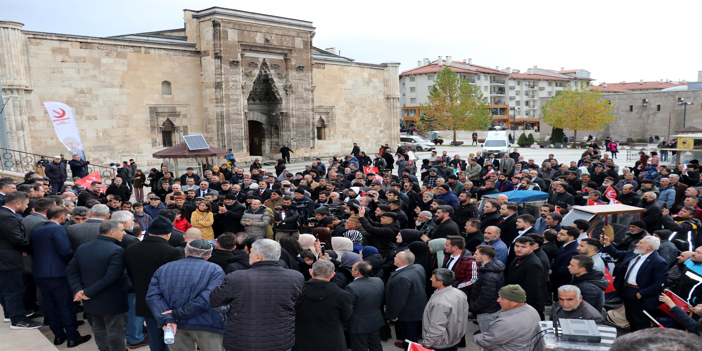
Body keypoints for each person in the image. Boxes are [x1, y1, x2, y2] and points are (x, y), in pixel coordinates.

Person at [210, 239, 304, 351]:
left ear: (258, 257)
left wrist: (232, 308)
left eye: (251, 252)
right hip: (279, 340)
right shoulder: (296, 278)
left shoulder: (236, 277)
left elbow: (215, 300)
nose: (249, 255)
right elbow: (297, 303)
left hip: (242, 340)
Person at [146, 239, 225, 351]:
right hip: (207, 324)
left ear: (186, 252)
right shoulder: (215, 270)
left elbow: (153, 297)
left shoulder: (164, 269)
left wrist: (169, 318)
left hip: (174, 325)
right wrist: (178, 314)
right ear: (208, 256)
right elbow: (209, 298)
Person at [30, 206, 92, 346]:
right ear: (63, 216)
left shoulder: (36, 230)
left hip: (40, 272)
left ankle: (58, 335)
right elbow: (65, 250)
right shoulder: (58, 229)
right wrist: (72, 266)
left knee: (50, 305)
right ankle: (72, 336)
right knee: (65, 305)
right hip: (57, 273)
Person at [66, 220, 131, 351]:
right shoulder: (117, 250)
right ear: (112, 232)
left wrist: (79, 290)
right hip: (111, 299)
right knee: (115, 331)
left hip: (90, 300)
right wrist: (86, 292)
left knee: (99, 329)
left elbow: (71, 270)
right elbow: (111, 277)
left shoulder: (83, 248)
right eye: (121, 230)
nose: (124, 233)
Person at [124, 216, 183, 351]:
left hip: (144, 298)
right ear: (169, 233)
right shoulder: (172, 252)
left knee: (153, 335)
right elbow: (176, 281)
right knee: (170, 337)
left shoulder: (131, 249)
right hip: (167, 302)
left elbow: (131, 275)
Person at [600, 235, 668, 331]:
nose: (637, 244)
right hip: (627, 290)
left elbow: (659, 283)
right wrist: (607, 244)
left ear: (650, 247)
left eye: (641, 243)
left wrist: (641, 294)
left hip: (640, 294)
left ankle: (641, 342)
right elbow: (617, 254)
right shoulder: (635, 252)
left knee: (639, 321)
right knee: (630, 317)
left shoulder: (659, 262)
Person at [0, 191, 42, 329]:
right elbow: (16, 238)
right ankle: (18, 319)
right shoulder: (7, 216)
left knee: (6, 289)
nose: (27, 206)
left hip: (5, 258)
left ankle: (9, 314)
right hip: (8, 260)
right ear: (18, 203)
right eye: (26, 204)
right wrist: (29, 249)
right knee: (14, 290)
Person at [293, 259, 352, 351]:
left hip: (303, 339)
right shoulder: (342, 295)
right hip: (332, 340)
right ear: (333, 274)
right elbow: (346, 316)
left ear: (310, 272)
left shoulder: (297, 291)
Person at [474, 285, 542, 351]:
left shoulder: (505, 323)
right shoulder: (532, 310)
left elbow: (486, 342)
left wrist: (477, 337)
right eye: (499, 297)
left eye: (502, 298)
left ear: (515, 302)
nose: (498, 300)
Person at [385, 250, 427, 349]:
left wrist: (393, 314)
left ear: (402, 261)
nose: (394, 258)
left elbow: (399, 299)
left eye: (396, 257)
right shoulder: (418, 267)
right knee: (410, 333)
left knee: (409, 335)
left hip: (408, 313)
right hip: (417, 306)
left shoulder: (402, 278)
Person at [421, 268, 469, 351]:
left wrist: (426, 343)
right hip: (454, 339)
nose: (430, 279)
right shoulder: (459, 293)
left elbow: (437, 326)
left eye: (433, 277)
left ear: (440, 283)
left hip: (440, 343)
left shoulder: (440, 302)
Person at [345, 261, 385, 351]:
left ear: (357, 272)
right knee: (376, 345)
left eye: (352, 269)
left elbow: (348, 308)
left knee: (359, 347)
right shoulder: (378, 281)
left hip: (358, 325)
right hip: (375, 320)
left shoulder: (351, 287)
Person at [505, 236, 546, 319]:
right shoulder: (517, 258)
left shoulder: (533, 264)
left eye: (523, 247)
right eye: (517, 246)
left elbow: (532, 289)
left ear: (532, 248)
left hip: (524, 305)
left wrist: (522, 306)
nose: (519, 249)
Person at [470, 245, 505, 332]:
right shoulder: (491, 268)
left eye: (476, 254)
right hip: (491, 308)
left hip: (487, 312)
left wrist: (474, 307)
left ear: (484, 257)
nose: (474, 256)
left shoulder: (489, 276)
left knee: (486, 338)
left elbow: (486, 296)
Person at [550, 226, 580, 294]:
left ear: (571, 237)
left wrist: (551, 277)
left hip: (563, 282)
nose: (558, 235)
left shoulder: (573, 251)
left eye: (562, 234)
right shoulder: (564, 244)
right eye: (559, 233)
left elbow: (564, 269)